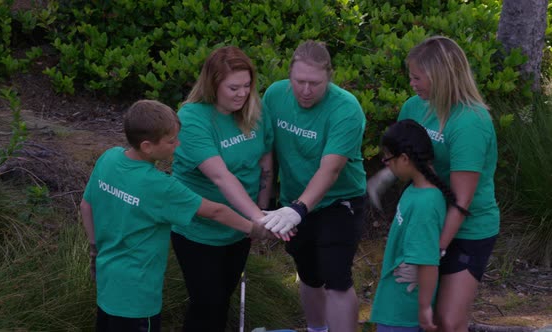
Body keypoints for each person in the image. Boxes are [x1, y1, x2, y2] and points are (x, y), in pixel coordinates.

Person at [79, 99, 271, 332]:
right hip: (139, 297)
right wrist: (253, 228)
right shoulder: (159, 186)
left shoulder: (108, 159)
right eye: (171, 141)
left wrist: (94, 248)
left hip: (107, 279)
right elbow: (216, 210)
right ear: (148, 146)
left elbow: (86, 205)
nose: (178, 145)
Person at [369, 36, 500, 332]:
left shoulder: (470, 122)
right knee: (420, 316)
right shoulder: (415, 107)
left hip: (468, 228)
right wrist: (386, 175)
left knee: (448, 321)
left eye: (417, 77)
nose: (412, 84)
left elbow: (462, 201)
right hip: (426, 220)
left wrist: (430, 256)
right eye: (411, 76)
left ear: (441, 77)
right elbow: (404, 153)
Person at [170, 46, 285, 332]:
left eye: (247, 86)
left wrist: (260, 209)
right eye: (233, 87)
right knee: (205, 304)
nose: (242, 93)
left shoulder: (255, 111)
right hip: (199, 231)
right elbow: (221, 177)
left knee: (222, 302)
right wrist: (258, 219)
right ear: (213, 84)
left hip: (240, 228)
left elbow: (265, 160)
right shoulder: (193, 119)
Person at [260, 40, 367, 332]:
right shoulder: (274, 96)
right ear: (290, 76)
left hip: (339, 201)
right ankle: (316, 329)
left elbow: (330, 169)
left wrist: (299, 209)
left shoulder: (346, 108)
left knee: (336, 278)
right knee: (307, 273)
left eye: (315, 83)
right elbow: (268, 153)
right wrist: (264, 204)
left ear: (329, 78)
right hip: (293, 199)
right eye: (300, 82)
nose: (306, 91)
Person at [370, 119, 471, 332]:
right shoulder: (414, 189)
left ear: (405, 159)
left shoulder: (425, 203)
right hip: (393, 301)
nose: (385, 163)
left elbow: (427, 261)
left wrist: (424, 308)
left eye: (388, 158)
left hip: (403, 310)